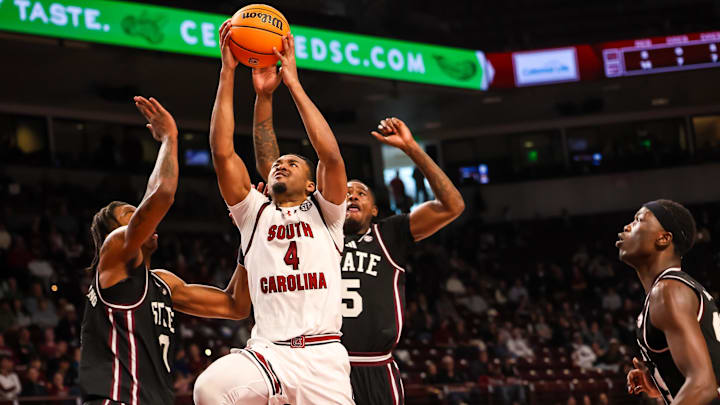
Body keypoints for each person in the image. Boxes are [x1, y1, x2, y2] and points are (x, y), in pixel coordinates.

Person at [252, 112, 464, 403]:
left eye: (361, 193)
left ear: (375, 210)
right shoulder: (314, 228)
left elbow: (451, 205)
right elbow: (272, 168)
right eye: (347, 191)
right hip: (317, 363)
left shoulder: (389, 234)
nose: (351, 196)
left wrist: (412, 149)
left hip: (374, 365)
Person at [194, 22, 352, 405]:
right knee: (208, 390)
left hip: (323, 356)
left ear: (312, 184)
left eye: (293, 163)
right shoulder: (253, 212)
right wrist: (227, 71)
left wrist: (293, 84)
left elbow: (330, 155)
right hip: (269, 352)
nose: (281, 164)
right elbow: (222, 153)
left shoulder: (328, 214)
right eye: (277, 163)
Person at [79, 96, 251, 405]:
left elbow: (235, 306)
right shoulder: (114, 254)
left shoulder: (163, 283)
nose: (142, 218)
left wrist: (250, 235)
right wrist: (170, 139)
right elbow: (161, 195)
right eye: (130, 215)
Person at [621, 199, 720, 404]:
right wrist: (660, 381)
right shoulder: (671, 288)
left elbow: (703, 386)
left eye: (639, 220)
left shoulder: (668, 290)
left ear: (664, 238)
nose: (627, 226)